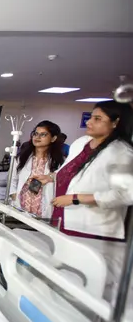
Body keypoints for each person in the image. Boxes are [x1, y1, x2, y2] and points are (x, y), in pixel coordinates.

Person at [33, 101, 133, 240]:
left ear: (115, 123)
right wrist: (52, 177)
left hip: (93, 228)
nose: (89, 122)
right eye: (91, 117)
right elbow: (73, 172)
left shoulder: (121, 152)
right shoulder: (82, 143)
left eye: (97, 119)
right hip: (63, 218)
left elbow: (126, 194)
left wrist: (76, 199)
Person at [9, 121, 64, 218]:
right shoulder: (22, 157)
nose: (37, 137)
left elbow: (63, 181)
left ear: (53, 138)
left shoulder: (59, 161)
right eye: (35, 134)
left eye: (43, 134)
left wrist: (51, 176)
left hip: (43, 207)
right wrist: (13, 195)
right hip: (21, 205)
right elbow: (12, 179)